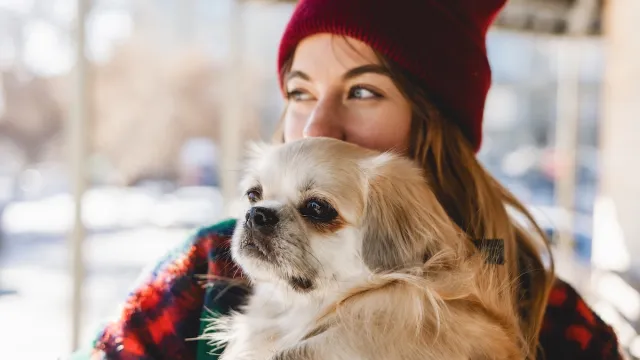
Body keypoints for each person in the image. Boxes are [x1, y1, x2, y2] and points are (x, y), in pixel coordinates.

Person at [72, 0, 622, 359]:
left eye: (363, 91)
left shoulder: (536, 295)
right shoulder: (209, 264)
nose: (317, 123)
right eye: (299, 91)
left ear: (436, 122)